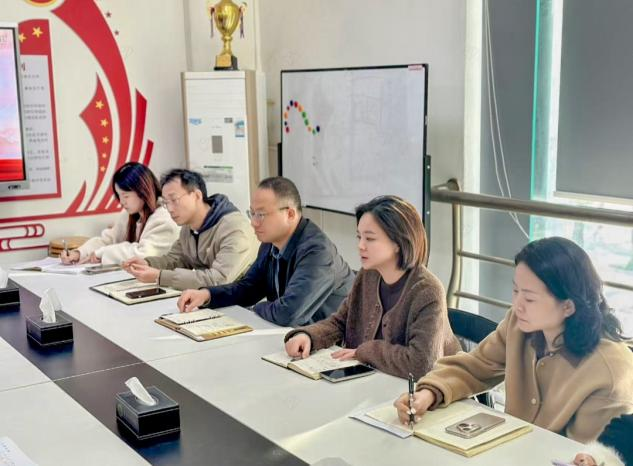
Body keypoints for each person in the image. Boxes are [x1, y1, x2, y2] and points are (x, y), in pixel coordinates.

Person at [394, 237, 633, 443]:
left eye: (529, 298)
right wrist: (428, 394)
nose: (517, 305)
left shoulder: (609, 370)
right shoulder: (520, 325)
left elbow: (583, 455)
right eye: (516, 291)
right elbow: (476, 366)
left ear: (568, 306)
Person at [283, 195, 460, 378]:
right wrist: (309, 337)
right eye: (359, 237)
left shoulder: (427, 291)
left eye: (370, 238)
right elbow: (341, 322)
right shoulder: (368, 275)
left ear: (398, 243)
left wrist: (365, 351)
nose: (360, 246)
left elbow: (420, 364)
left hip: (424, 390)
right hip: (373, 382)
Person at [176, 176, 355, 327]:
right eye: (252, 213)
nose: (253, 222)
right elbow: (249, 288)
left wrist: (256, 308)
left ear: (290, 214)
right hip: (292, 336)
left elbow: (288, 314)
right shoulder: (270, 243)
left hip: (332, 345)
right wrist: (207, 295)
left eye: (261, 214)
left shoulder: (317, 252)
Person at [122, 169, 258, 290]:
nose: (170, 209)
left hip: (244, 305)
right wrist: (147, 263)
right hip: (210, 299)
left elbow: (218, 279)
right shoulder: (188, 227)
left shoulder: (234, 228)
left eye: (174, 200)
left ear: (197, 196)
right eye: (166, 203)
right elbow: (176, 259)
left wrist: (159, 276)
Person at [60, 162, 179, 265]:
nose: (122, 202)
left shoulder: (165, 218)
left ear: (143, 191)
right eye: (119, 195)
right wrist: (79, 253)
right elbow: (108, 240)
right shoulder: (130, 215)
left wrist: (102, 253)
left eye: (126, 196)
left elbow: (143, 254)